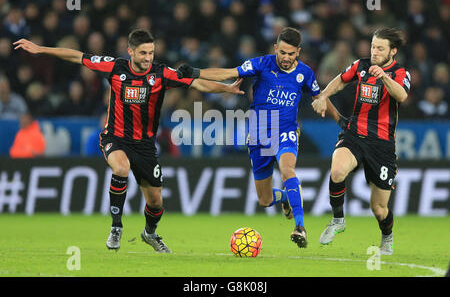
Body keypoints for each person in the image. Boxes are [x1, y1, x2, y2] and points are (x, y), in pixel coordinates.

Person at [14, 29, 243, 253]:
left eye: (151, 53)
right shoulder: (114, 67)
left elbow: (195, 82)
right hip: (115, 137)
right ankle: (116, 227)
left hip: (144, 146)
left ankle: (149, 234)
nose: (148, 58)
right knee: (121, 168)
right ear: (130, 51)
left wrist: (225, 89)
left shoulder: (161, 74)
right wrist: (40, 49)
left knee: (155, 202)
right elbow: (77, 56)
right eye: (143, 53)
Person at [177, 27, 345, 248]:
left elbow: (321, 97)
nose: (286, 58)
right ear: (276, 48)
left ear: (298, 52)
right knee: (265, 200)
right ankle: (285, 197)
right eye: (282, 52)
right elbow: (229, 73)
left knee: (287, 170)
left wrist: (341, 121)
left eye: (291, 54)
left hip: (285, 130)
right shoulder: (261, 64)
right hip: (258, 134)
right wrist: (196, 72)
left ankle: (300, 227)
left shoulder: (305, 73)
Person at [311, 27, 411, 255]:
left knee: (378, 208)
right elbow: (341, 80)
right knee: (337, 171)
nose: (374, 52)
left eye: (380, 48)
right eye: (373, 46)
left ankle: (387, 237)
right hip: (355, 134)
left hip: (382, 144)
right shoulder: (361, 65)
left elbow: (402, 96)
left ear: (392, 51)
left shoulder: (400, 73)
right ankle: (338, 220)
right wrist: (324, 96)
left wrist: (383, 76)